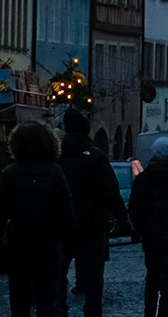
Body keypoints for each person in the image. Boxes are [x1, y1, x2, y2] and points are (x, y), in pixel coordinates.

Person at [0, 121, 76, 317]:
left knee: (19, 294)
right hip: (48, 241)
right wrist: (70, 242)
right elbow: (66, 210)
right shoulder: (54, 171)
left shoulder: (10, 173)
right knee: (46, 293)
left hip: (18, 241)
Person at [57, 109, 127, 317]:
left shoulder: (56, 159)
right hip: (92, 224)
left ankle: (59, 310)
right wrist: (123, 218)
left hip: (62, 225)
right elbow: (110, 191)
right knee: (94, 278)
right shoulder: (97, 157)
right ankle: (92, 313)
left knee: (58, 274)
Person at [127, 138, 168, 317]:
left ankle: (149, 313)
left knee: (152, 278)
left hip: (151, 238)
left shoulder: (143, 180)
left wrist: (142, 230)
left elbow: (134, 209)